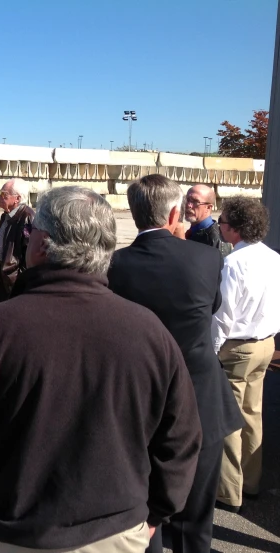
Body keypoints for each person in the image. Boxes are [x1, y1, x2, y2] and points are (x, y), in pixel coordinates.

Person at [0, 186, 202, 553]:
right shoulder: (149, 331)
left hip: (7, 532)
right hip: (116, 534)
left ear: (41, 244)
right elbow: (181, 439)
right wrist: (154, 516)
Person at [108, 175, 243, 553]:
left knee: (146, 512)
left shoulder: (115, 264)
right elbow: (213, 309)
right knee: (196, 517)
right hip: (200, 398)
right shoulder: (207, 257)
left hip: (138, 403)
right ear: (173, 213)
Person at [212, 197, 280, 512]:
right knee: (253, 415)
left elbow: (223, 316)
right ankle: (251, 482)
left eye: (222, 222)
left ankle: (229, 491)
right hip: (266, 343)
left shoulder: (233, 263)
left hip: (237, 347)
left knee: (228, 421)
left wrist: (212, 351)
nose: (219, 226)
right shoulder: (273, 257)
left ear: (236, 228)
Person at [0, 178, 34, 304]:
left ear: (17, 199)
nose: (0, 197)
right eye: (0, 194)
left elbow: (28, 253)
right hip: (0, 273)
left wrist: (18, 278)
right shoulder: (6, 215)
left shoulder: (26, 217)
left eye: (4, 195)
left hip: (12, 278)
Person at [184, 184, 232, 256]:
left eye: (195, 202)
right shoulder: (192, 232)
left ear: (208, 207)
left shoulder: (217, 240)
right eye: (187, 200)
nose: (189, 205)